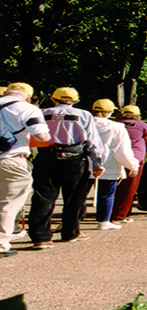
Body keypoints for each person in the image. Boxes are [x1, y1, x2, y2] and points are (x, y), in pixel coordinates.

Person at [29, 87, 105, 248]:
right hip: (74, 159)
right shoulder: (83, 115)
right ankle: (70, 232)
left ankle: (40, 237)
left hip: (46, 156)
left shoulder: (40, 113)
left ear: (53, 98)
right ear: (75, 100)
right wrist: (97, 163)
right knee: (74, 198)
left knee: (43, 197)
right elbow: (92, 141)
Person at [0, 83, 50, 257]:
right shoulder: (28, 109)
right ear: (28, 96)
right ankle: (1, 243)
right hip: (11, 160)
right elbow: (42, 135)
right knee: (9, 203)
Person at [87, 99, 139, 231]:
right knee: (106, 194)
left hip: (85, 164)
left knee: (78, 194)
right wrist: (133, 165)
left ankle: (71, 220)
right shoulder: (117, 128)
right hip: (108, 165)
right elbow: (122, 152)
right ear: (110, 112)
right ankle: (104, 221)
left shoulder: (84, 124)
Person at [110, 105, 147, 223]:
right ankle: (119, 215)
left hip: (112, 158)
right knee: (129, 188)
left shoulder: (112, 124)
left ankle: (106, 212)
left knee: (109, 186)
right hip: (134, 159)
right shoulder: (143, 126)